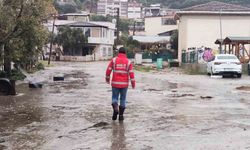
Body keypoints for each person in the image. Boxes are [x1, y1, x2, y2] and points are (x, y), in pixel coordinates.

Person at [105, 47, 135, 121]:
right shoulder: (128, 62)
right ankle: (121, 116)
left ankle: (115, 108)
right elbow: (131, 74)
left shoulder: (114, 60)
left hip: (115, 83)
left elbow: (108, 70)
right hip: (124, 84)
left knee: (114, 98)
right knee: (123, 99)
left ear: (118, 52)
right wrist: (133, 83)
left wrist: (107, 78)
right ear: (125, 53)